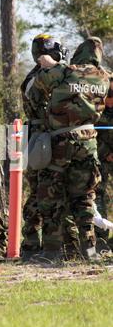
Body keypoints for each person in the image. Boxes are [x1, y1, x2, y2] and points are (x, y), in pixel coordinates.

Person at [27, 37, 109, 262]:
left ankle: (52, 252)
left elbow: (36, 86)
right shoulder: (104, 76)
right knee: (85, 197)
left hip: (61, 141)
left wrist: (51, 66)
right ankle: (89, 250)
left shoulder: (65, 71)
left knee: (51, 196)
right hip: (90, 141)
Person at [21, 34, 79, 260]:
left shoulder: (51, 74)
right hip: (41, 141)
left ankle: (68, 244)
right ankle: (32, 244)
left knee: (60, 192)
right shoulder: (37, 78)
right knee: (40, 194)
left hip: (56, 139)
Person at [95, 78, 113, 252]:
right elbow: (92, 135)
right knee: (99, 197)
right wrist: (106, 153)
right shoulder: (98, 112)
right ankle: (101, 239)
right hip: (103, 161)